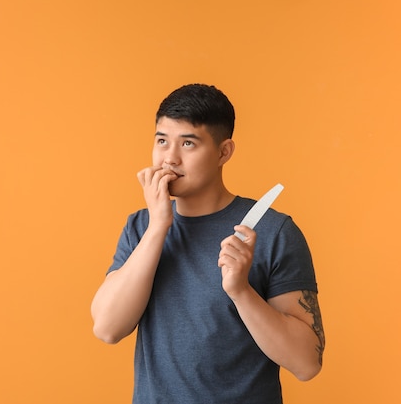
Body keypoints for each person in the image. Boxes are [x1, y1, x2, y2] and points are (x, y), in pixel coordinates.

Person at [91, 84, 325, 404]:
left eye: (188, 142)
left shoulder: (273, 232)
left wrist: (241, 290)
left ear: (223, 152)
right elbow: (107, 328)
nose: (169, 159)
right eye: (162, 141)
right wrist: (159, 226)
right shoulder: (140, 227)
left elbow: (306, 363)